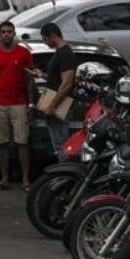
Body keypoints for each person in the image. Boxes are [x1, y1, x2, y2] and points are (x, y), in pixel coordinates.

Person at [0, 21, 36, 192]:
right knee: (1, 143)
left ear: (14, 33)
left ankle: (25, 179)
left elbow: (30, 80)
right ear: (0, 34)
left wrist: (31, 104)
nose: (6, 34)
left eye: (9, 31)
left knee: (22, 142)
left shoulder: (24, 53)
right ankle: (4, 178)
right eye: (3, 31)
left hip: (19, 104)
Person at [33, 23, 77, 162]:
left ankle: (64, 177)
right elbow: (58, 78)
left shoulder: (65, 54)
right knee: (58, 145)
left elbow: (67, 83)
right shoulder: (60, 53)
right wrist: (43, 75)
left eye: (45, 39)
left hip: (59, 107)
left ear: (52, 36)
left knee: (61, 146)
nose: (45, 43)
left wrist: (52, 105)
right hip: (56, 107)